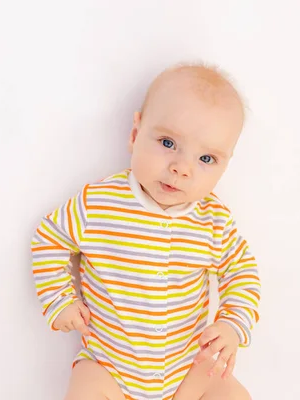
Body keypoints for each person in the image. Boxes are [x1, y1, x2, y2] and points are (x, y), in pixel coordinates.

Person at [31, 62, 261, 400]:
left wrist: (232, 325)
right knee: (85, 388)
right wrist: (60, 300)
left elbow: (241, 271)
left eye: (207, 159)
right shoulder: (99, 204)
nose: (181, 168)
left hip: (188, 369)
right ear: (136, 134)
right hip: (107, 365)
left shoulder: (213, 221)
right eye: (168, 143)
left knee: (232, 394)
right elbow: (48, 239)